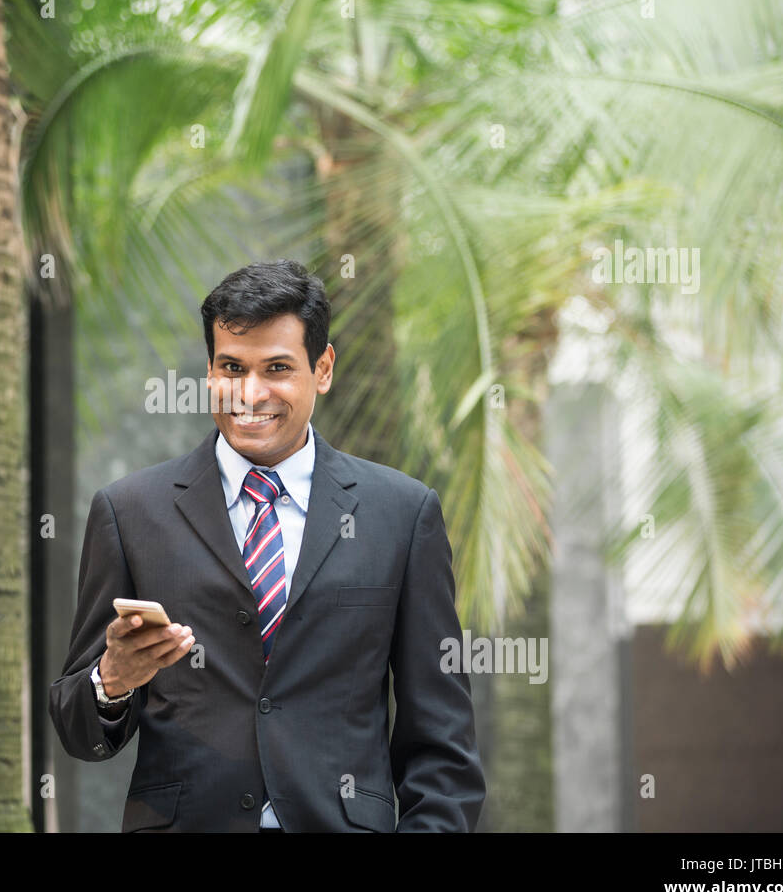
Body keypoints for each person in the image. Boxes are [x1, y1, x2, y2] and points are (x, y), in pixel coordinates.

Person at [48, 259, 486, 832]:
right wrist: (111, 679)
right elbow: (79, 731)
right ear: (208, 370)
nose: (250, 393)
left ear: (323, 368)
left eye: (277, 368)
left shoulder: (401, 514)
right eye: (232, 367)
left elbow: (443, 743)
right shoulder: (130, 512)